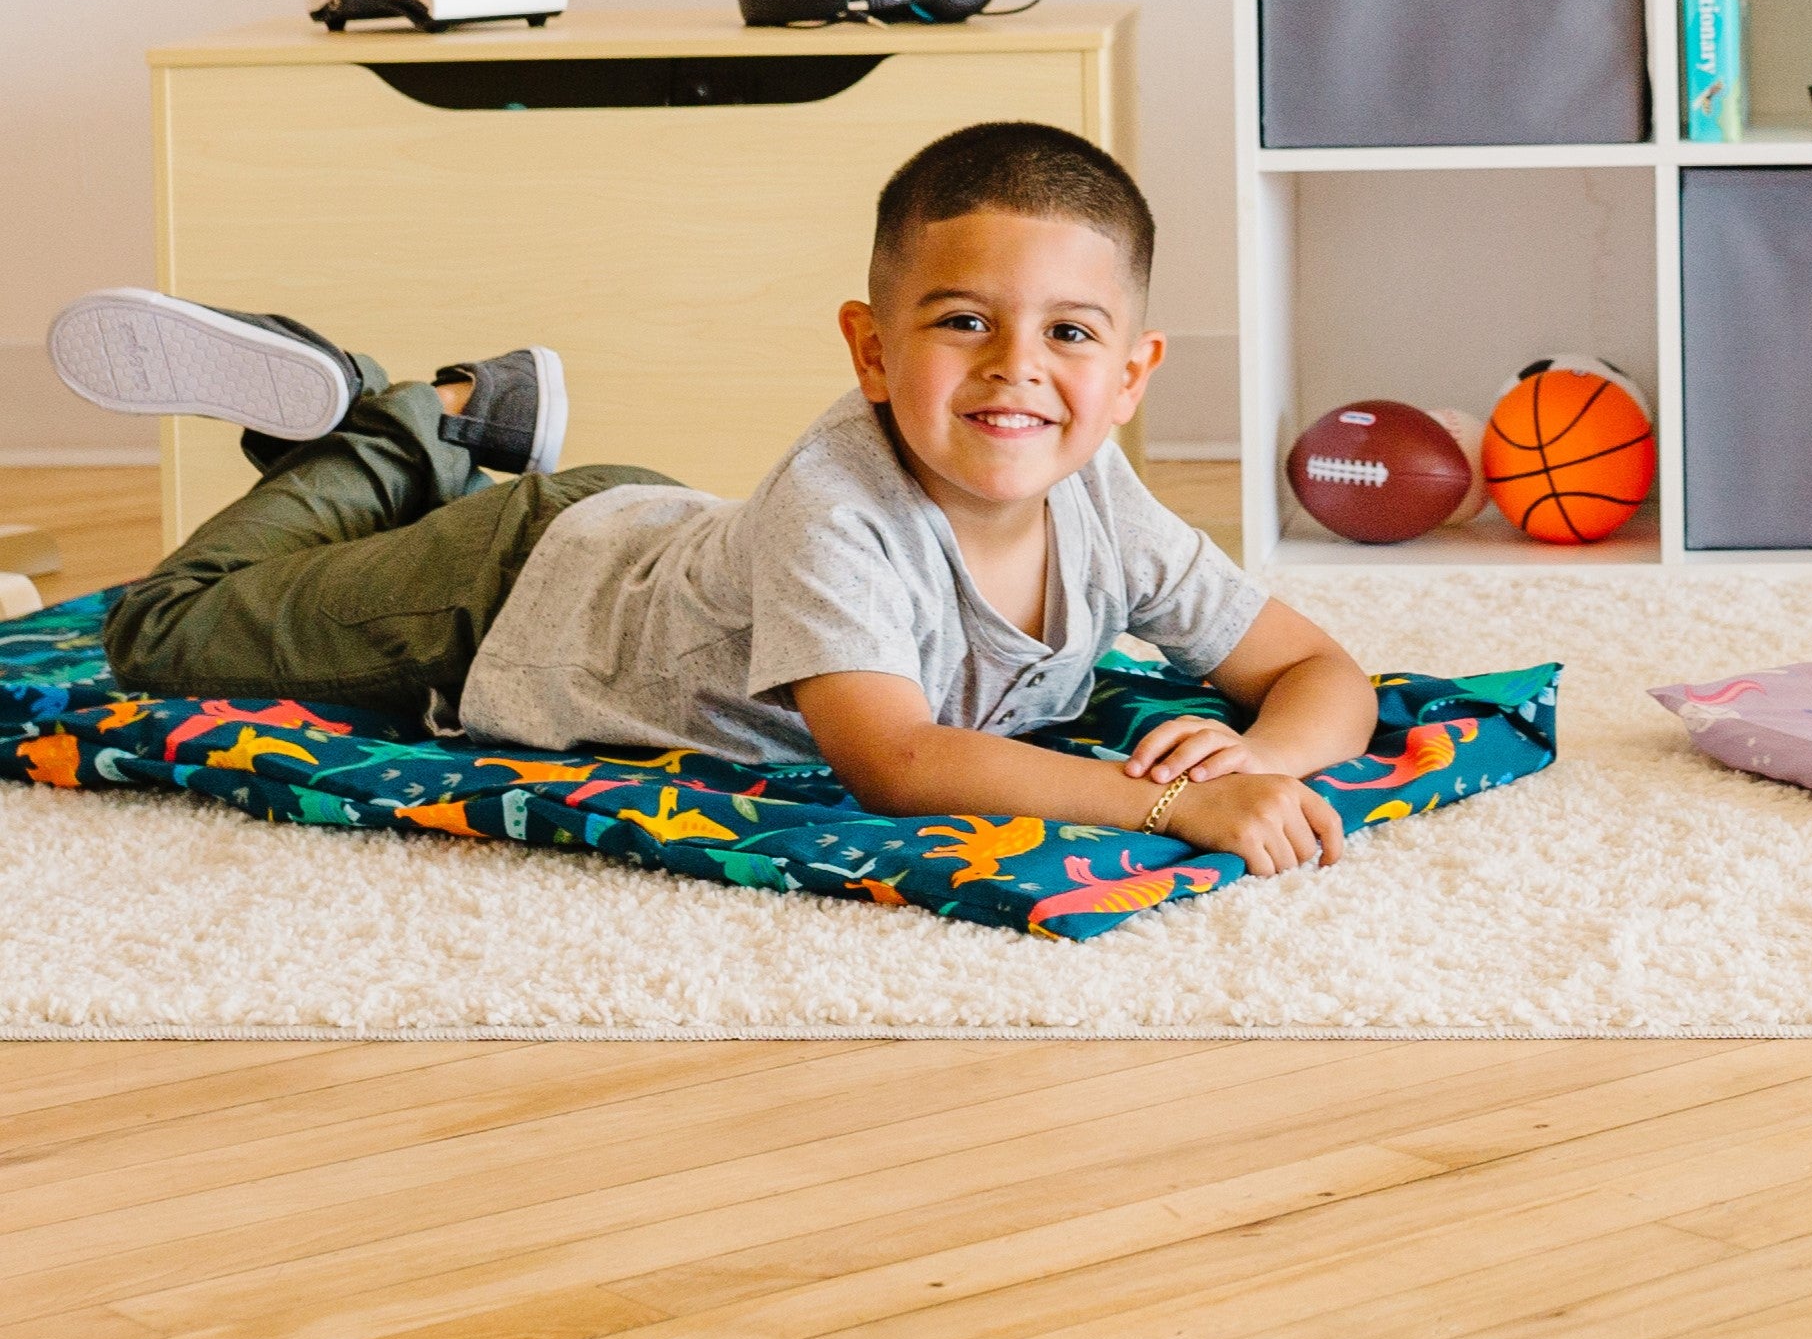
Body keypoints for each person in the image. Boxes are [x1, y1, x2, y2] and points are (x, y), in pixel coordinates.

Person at [50, 121, 1374, 875]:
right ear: (869, 350)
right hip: (504, 597)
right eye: (963, 321)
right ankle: (403, 424)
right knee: (157, 636)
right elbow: (898, 763)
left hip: (649, 533)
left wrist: (1261, 761)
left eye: (1072, 335)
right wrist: (1171, 804)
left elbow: (1320, 669)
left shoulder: (1107, 504)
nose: (1017, 370)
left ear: (1136, 374)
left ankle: (458, 435)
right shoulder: (837, 501)